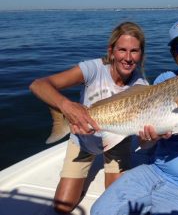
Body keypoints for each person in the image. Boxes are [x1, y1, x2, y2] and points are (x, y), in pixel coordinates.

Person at [91, 18, 178, 215]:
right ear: (172, 53)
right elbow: (147, 144)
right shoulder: (165, 79)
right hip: (154, 171)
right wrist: (150, 138)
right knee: (99, 211)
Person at [29, 21, 149, 214]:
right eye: (122, 50)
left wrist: (148, 137)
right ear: (111, 51)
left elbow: (145, 138)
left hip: (117, 143)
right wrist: (67, 107)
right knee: (62, 206)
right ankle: (79, 179)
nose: (128, 57)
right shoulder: (93, 69)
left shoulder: (142, 86)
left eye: (134, 51)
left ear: (141, 54)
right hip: (82, 140)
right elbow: (39, 85)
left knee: (115, 202)